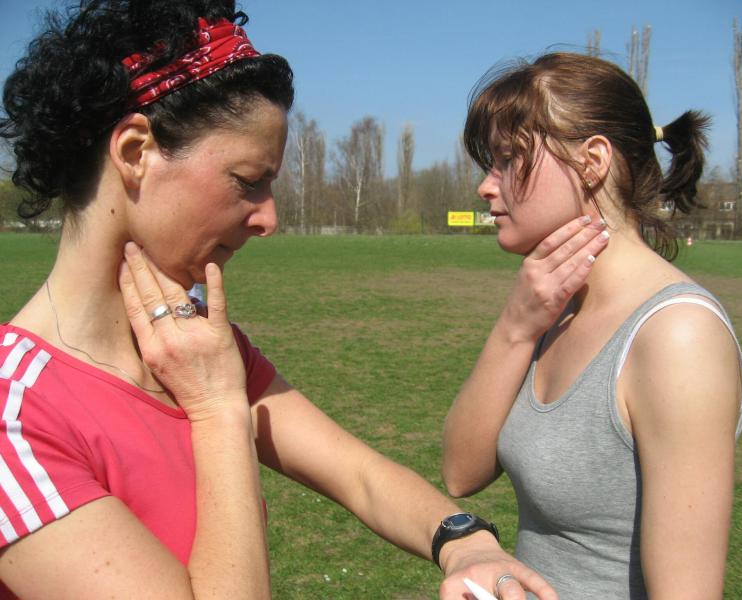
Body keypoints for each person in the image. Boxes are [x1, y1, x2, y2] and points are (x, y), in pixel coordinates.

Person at [0, 2, 557, 598]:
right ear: (136, 153)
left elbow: (359, 474)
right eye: (248, 181)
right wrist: (217, 409)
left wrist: (464, 542)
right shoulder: (16, 418)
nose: (269, 219)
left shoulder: (194, 346)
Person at [442, 53, 742, 599]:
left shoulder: (678, 335)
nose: (486, 187)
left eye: (508, 159)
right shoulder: (552, 309)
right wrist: (514, 328)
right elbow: (461, 472)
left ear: (592, 161)